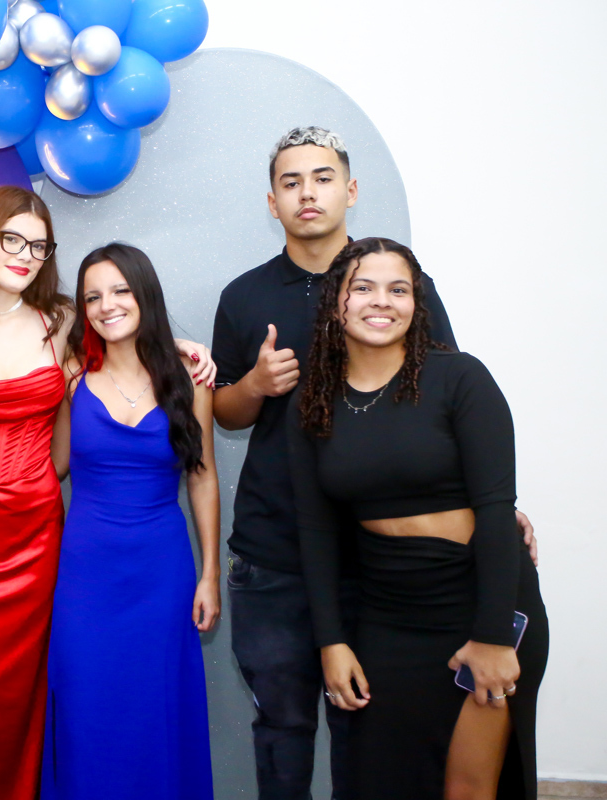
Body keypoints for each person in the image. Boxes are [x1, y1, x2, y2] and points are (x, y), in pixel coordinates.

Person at [0, 188, 213, 800]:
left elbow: (122, 333)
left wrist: (180, 348)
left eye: (38, 246)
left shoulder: (61, 321)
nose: (24, 255)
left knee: (29, 697)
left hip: (39, 540)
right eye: (11, 240)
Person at [211, 126, 465, 799]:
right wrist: (255, 385)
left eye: (322, 178)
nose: (308, 193)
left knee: (372, 730)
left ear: (350, 190)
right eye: (291, 182)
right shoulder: (244, 296)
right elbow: (224, 412)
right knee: (282, 728)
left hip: (377, 556)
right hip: (273, 553)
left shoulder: (398, 288)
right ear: (272, 202)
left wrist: (495, 507)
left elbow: (450, 401)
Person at [287, 237, 548, 799]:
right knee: (383, 780)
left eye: (398, 289)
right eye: (363, 287)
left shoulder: (461, 379)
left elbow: (496, 510)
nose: (381, 301)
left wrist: (493, 637)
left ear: (416, 302)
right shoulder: (314, 398)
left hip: (479, 603)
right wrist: (331, 641)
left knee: (467, 788)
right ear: (336, 301)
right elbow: (315, 530)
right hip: (390, 613)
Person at [41, 243, 219, 800]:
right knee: (84, 707)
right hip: (85, 576)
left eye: (120, 290)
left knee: (155, 711)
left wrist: (210, 575)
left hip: (162, 572)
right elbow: (54, 466)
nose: (107, 305)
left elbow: (203, 478)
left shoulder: (190, 378)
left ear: (145, 294)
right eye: (93, 296)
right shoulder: (72, 376)